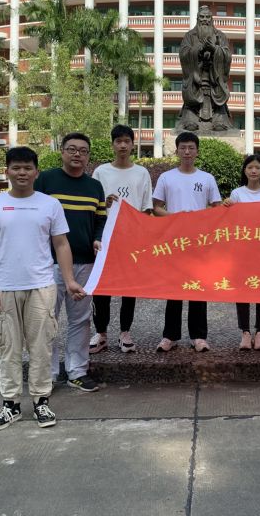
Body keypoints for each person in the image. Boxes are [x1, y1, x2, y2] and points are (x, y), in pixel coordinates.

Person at [0, 146, 86, 431]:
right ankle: (10, 405)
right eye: (16, 168)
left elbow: (61, 244)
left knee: (41, 348)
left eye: (27, 168)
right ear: (7, 172)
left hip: (42, 286)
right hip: (5, 288)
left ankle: (41, 401)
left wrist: (69, 280)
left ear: (37, 172)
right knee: (8, 348)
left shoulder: (50, 205)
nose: (22, 173)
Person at [34, 132, 106, 393]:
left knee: (81, 319)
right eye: (72, 149)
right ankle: (48, 373)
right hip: (49, 263)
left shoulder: (94, 187)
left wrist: (98, 239)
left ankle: (77, 371)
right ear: (62, 152)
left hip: (85, 263)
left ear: (88, 156)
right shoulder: (46, 180)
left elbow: (100, 219)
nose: (77, 154)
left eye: (83, 151)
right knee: (46, 319)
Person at [153, 132, 222, 352]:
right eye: (183, 147)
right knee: (174, 288)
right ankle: (170, 336)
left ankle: (198, 336)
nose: (187, 152)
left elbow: (217, 208)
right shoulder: (166, 177)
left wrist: (202, 220)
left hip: (200, 242)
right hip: (174, 241)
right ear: (177, 150)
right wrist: (176, 218)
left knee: (198, 288)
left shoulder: (207, 178)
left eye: (191, 148)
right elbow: (156, 207)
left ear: (197, 151)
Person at [90, 124, 153, 353]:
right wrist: (104, 203)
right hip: (106, 237)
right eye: (118, 141)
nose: (123, 145)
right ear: (112, 145)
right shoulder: (101, 172)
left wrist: (142, 235)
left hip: (131, 238)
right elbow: (94, 205)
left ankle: (125, 332)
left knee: (129, 287)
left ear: (133, 145)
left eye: (127, 141)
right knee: (102, 287)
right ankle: (101, 333)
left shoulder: (141, 173)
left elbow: (146, 208)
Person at [223, 154, 260, 351]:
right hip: (242, 250)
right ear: (245, 171)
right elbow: (230, 222)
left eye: (257, 167)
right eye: (250, 167)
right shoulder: (237, 194)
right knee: (242, 290)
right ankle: (245, 332)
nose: (254, 171)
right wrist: (227, 207)